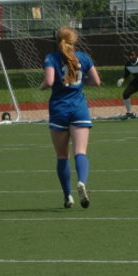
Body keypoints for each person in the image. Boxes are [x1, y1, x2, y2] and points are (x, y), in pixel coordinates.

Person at [40, 26, 101, 209]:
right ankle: (82, 181)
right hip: (79, 109)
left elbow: (49, 81)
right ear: (74, 40)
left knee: (62, 156)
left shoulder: (51, 58)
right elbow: (96, 81)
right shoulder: (83, 57)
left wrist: (42, 86)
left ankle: (67, 196)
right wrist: (81, 81)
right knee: (80, 151)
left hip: (59, 109)